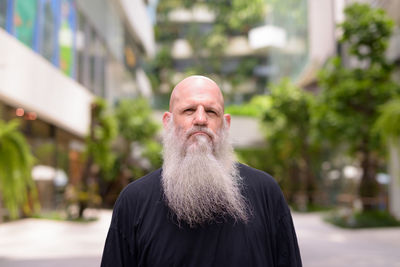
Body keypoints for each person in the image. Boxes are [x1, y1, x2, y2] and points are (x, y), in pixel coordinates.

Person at [101, 75, 302, 267]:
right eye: (188, 110)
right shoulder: (134, 201)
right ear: (167, 122)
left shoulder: (266, 193)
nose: (200, 119)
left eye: (211, 111)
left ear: (226, 124)